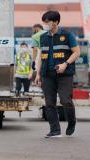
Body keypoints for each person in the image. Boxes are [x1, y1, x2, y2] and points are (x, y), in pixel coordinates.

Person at [34, 10, 80, 138]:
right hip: (47, 74)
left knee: (65, 100)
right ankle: (55, 130)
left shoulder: (67, 35)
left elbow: (76, 52)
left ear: (56, 22)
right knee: (49, 103)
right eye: (44, 22)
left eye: (47, 22)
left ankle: (71, 121)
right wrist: (38, 73)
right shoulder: (43, 37)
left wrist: (65, 64)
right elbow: (40, 57)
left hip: (64, 74)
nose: (45, 24)